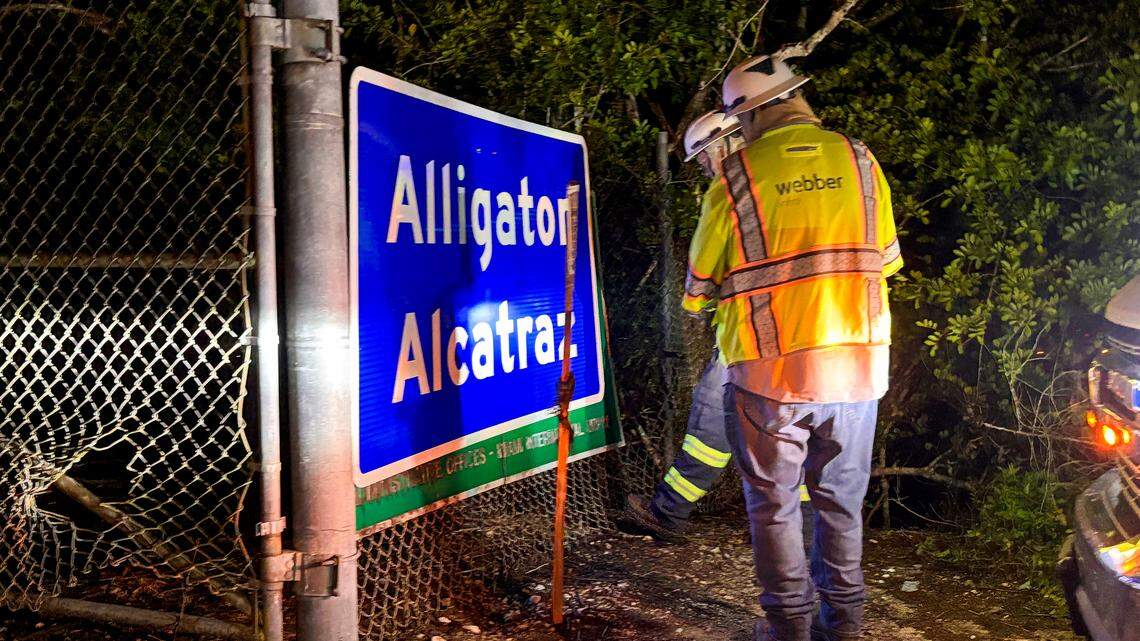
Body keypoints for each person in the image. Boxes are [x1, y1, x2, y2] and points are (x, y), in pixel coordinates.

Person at [682, 54, 903, 641]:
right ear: (798, 96)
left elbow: (699, 288)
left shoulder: (735, 178)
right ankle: (846, 627)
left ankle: (788, 630)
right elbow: (887, 259)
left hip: (769, 375)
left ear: (746, 117)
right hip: (858, 366)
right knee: (840, 504)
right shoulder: (861, 160)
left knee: (775, 506)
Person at [624, 111, 813, 544]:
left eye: (705, 158)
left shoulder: (734, 187)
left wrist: (695, 302)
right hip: (806, 335)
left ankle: (669, 513)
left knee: (712, 422)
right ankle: (795, 531)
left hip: (748, 338)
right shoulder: (784, 180)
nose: (706, 168)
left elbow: (703, 275)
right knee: (788, 432)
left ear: (724, 144)